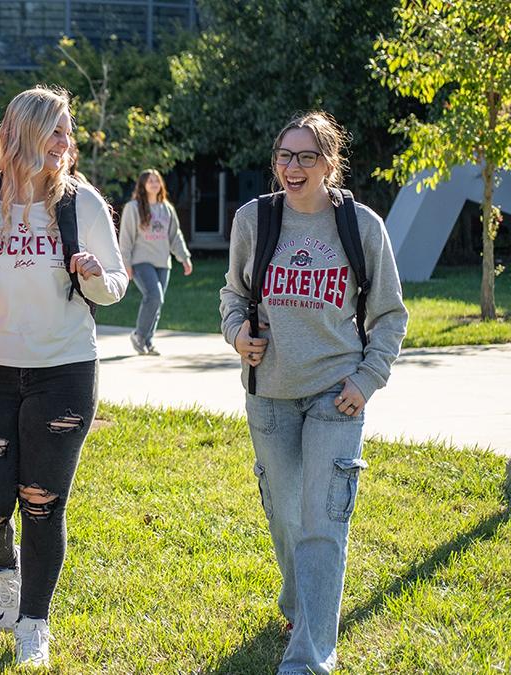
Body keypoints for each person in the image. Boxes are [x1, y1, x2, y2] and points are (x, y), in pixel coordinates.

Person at [219, 111, 408, 674]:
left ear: (330, 163)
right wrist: (237, 335)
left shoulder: (361, 225)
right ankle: (301, 607)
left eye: (306, 157)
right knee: (286, 518)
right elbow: (233, 296)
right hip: (269, 395)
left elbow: (390, 316)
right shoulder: (255, 219)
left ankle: (308, 659)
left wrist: (367, 379)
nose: (292, 167)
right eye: (284, 156)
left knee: (324, 523)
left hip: (336, 394)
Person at [0, 87, 127, 667]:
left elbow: (114, 287)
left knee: (43, 502)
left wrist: (97, 275)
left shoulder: (83, 202)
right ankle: (6, 567)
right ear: (24, 133)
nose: (66, 143)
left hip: (65, 369)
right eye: (56, 130)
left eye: (68, 132)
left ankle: (34, 623)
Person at [117, 169, 192, 356]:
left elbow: (175, 236)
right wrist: (125, 264)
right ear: (142, 185)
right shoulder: (133, 207)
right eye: (149, 181)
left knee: (157, 302)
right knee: (154, 296)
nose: (153, 184)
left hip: (162, 262)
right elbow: (125, 238)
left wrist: (184, 258)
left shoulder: (166, 208)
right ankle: (139, 335)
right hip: (141, 261)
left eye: (156, 180)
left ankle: (147, 341)